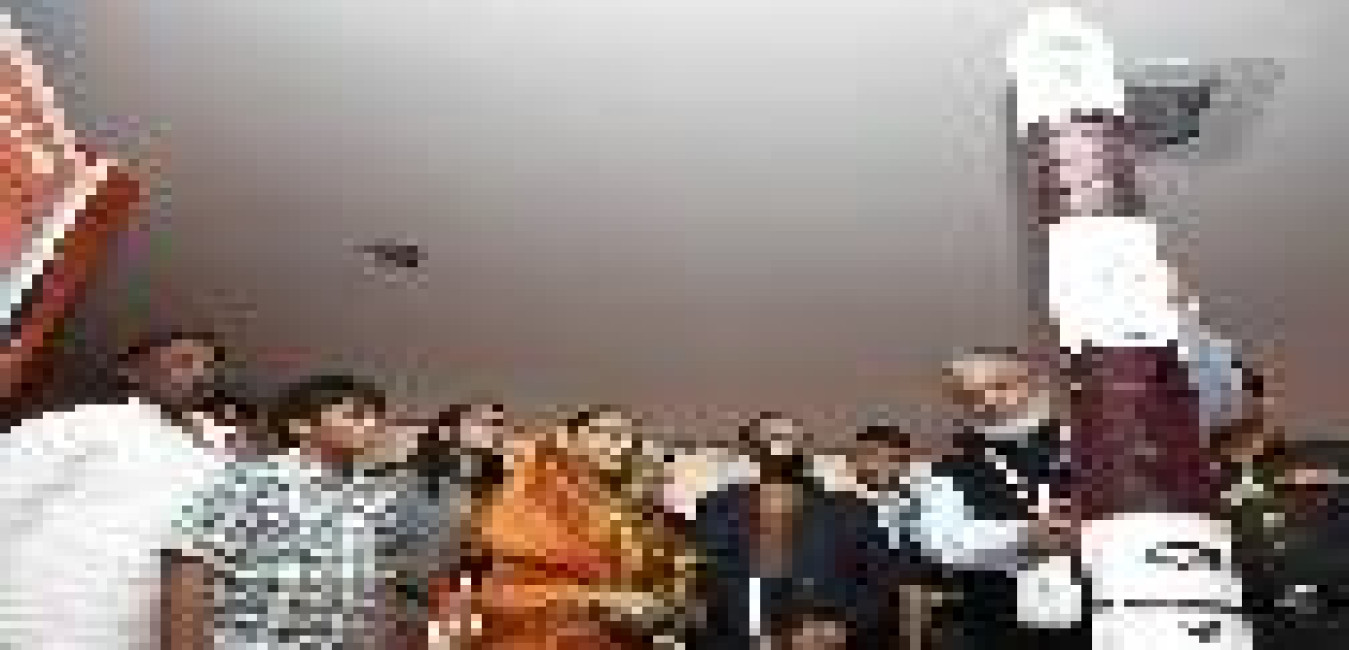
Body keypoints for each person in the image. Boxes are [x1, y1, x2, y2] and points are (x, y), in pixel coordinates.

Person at [0, 331, 225, 650]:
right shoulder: (79, 425)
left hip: (141, 633)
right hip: (41, 623)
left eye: (209, 368)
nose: (200, 374)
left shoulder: (215, 458)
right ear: (131, 371)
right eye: (183, 361)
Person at [167, 374, 398, 650]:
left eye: (376, 418)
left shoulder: (373, 496)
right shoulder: (246, 482)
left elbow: (376, 583)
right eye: (355, 416)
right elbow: (191, 572)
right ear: (300, 426)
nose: (372, 426)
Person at [439, 405, 694, 650]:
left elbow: (666, 575)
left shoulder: (634, 507)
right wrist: (601, 600)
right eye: (607, 434)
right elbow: (499, 591)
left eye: (629, 437)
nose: (621, 445)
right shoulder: (525, 497)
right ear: (569, 440)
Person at [907, 350, 1083, 650]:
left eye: (1001, 386)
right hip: (997, 618)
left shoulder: (1089, 447)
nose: (988, 401)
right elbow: (940, 542)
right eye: (971, 395)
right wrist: (1024, 534)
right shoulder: (943, 468)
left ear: (1034, 384)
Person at [693, 415, 896, 650]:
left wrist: (842, 626)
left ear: (806, 447)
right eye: (770, 437)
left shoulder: (852, 511)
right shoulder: (715, 507)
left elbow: (882, 584)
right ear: (749, 449)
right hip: (732, 638)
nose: (778, 445)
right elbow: (698, 577)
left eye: (788, 437)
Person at [390, 402, 510, 648]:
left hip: (481, 590)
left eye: (498, 424)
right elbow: (396, 542)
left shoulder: (500, 480)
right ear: (447, 431)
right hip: (424, 592)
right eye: (483, 423)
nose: (495, 430)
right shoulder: (412, 479)